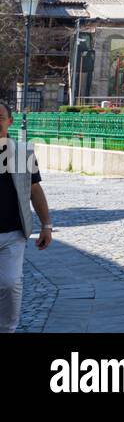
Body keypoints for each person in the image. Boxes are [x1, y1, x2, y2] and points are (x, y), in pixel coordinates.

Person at [0, 102, 53, 333]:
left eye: (0, 117)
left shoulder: (23, 153)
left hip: (13, 232)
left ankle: (8, 329)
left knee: (11, 283)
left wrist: (47, 225)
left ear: (10, 121)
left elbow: (35, 191)